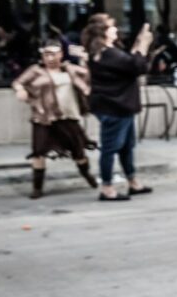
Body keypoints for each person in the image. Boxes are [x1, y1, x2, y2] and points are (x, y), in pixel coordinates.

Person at [11, 39, 98, 199]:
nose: (50, 58)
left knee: (78, 151)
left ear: (61, 54)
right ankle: (37, 188)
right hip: (44, 117)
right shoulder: (36, 70)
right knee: (38, 152)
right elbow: (18, 82)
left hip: (68, 116)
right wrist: (20, 90)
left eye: (53, 54)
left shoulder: (70, 69)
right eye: (46, 54)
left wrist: (84, 59)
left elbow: (87, 76)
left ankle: (87, 175)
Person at [81, 14, 154, 201]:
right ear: (104, 32)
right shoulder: (108, 54)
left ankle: (133, 182)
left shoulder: (103, 52)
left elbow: (129, 64)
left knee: (126, 147)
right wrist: (143, 44)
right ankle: (107, 188)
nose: (116, 29)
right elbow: (138, 67)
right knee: (110, 148)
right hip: (115, 107)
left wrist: (138, 45)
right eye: (112, 27)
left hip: (118, 106)